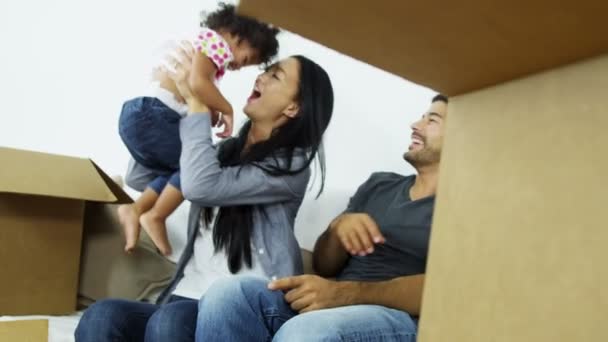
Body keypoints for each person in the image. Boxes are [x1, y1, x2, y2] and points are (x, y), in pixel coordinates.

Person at [75, 50, 334, 341]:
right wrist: (168, 100)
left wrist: (197, 107)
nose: (260, 76)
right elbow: (141, 177)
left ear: (293, 108)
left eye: (275, 75)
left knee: (169, 324)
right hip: (188, 295)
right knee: (101, 316)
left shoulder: (291, 168)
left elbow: (201, 186)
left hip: (245, 306)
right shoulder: (222, 153)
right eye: (265, 70)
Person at [195, 94, 448, 342]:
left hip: (398, 318)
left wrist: (345, 294)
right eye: (422, 117)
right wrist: (337, 229)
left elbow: (445, 290)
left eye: (432, 120)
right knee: (227, 295)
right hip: (336, 304)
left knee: (306, 333)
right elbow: (325, 265)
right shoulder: (379, 185)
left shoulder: (466, 210)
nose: (416, 125)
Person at [118, 3, 280, 256]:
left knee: (183, 166)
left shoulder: (200, 45)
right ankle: (154, 215)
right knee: (198, 165)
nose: (237, 67)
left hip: (143, 115)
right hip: (153, 115)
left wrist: (210, 109)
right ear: (234, 33)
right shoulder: (213, 42)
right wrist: (227, 109)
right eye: (245, 59)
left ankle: (137, 209)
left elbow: (195, 89)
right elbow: (197, 82)